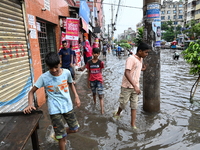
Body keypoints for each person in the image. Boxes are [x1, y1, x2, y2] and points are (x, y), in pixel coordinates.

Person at [23, 52, 81, 150]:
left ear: (60, 63)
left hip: (67, 106)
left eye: (56, 67)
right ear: (47, 66)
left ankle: (57, 134)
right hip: (54, 109)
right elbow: (31, 92)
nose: (54, 70)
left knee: (75, 129)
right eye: (51, 68)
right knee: (62, 138)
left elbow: (71, 83)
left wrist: (76, 96)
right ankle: (60, 135)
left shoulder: (67, 72)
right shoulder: (44, 77)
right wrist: (30, 104)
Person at [113, 42, 150, 129]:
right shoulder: (131, 59)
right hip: (127, 86)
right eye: (146, 52)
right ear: (140, 51)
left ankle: (133, 125)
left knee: (134, 106)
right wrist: (135, 86)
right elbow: (127, 72)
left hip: (135, 87)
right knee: (123, 104)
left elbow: (135, 69)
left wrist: (142, 69)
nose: (147, 54)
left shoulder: (140, 59)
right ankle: (118, 113)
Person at [86, 48, 105, 114]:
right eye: (94, 53)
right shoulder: (89, 62)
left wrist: (102, 79)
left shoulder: (100, 62)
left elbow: (101, 71)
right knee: (94, 93)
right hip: (92, 80)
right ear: (92, 53)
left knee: (100, 95)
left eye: (97, 53)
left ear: (99, 54)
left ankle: (102, 110)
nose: (96, 55)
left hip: (99, 80)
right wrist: (88, 82)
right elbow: (88, 72)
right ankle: (94, 103)